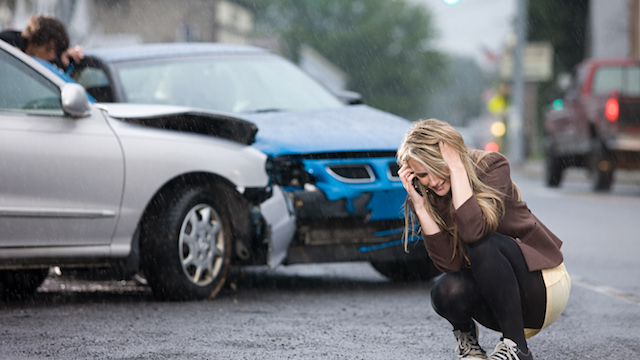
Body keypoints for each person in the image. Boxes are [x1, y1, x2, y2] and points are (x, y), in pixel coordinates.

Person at [397, 119, 571, 360]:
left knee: (483, 245)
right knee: (444, 291)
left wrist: (457, 169)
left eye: (439, 168)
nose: (434, 181)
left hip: (543, 286)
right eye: (424, 174)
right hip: (500, 302)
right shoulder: (430, 194)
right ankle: (470, 345)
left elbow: (474, 232)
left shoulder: (492, 165)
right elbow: (450, 265)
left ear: (452, 155)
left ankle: (516, 348)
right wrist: (421, 207)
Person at [0, 14, 83, 70]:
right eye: (48, 49)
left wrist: (68, 55)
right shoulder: (7, 41)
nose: (51, 56)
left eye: (55, 51)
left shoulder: (53, 61)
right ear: (33, 41)